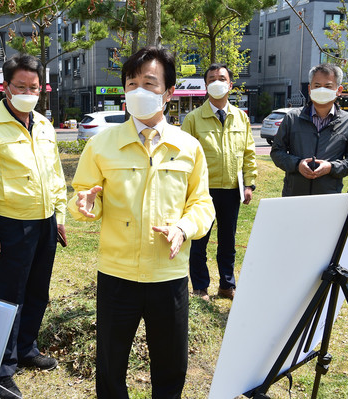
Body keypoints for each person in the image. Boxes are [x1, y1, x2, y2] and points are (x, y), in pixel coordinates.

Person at [68, 47, 215, 398]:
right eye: (132, 83)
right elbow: (85, 196)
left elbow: (203, 204)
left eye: (149, 84)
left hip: (169, 274)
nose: (139, 92)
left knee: (171, 367)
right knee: (110, 366)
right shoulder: (102, 145)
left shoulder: (188, 147)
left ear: (168, 92)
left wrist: (183, 228)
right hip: (117, 274)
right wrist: (86, 203)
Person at [0, 54, 67, 398]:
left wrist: (60, 216)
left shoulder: (43, 125)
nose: (28, 92)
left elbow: (55, 175)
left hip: (45, 223)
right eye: (21, 86)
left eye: (34, 87)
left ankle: (26, 348)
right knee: (9, 297)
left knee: (38, 291)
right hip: (10, 226)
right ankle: (2, 367)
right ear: (5, 88)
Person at [181, 63, 257, 301]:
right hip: (203, 191)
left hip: (231, 190)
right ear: (205, 85)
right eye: (212, 78)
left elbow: (248, 153)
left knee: (228, 242)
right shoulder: (193, 119)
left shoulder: (241, 118)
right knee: (199, 241)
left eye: (221, 78)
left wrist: (249, 184)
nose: (217, 82)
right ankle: (200, 287)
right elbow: (183, 157)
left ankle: (227, 285)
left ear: (230, 85)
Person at [270, 63, 348, 196]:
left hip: (329, 196)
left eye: (328, 86)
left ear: (339, 90)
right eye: (317, 86)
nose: (322, 90)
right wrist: (297, 165)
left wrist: (331, 167)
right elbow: (277, 152)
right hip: (294, 195)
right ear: (309, 88)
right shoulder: (292, 118)